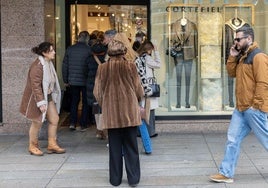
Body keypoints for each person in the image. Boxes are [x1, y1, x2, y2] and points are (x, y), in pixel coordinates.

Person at [209, 25, 268, 183]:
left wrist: (256, 105)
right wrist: (232, 56)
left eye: (238, 39)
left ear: (249, 39)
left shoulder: (258, 56)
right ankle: (226, 173)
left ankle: (226, 172)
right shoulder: (242, 56)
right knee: (232, 140)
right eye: (235, 39)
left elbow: (263, 83)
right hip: (241, 109)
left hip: (253, 109)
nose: (235, 42)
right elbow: (231, 73)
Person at [93, 40, 144, 187]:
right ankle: (133, 179)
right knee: (131, 146)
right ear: (124, 52)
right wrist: (136, 100)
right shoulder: (130, 66)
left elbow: (97, 92)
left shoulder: (102, 68)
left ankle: (115, 180)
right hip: (129, 113)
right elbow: (138, 89)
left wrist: (106, 104)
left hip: (112, 114)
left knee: (114, 147)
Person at [20, 42, 65, 156]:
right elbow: (35, 86)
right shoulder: (38, 66)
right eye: (51, 50)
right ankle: (32, 146)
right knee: (37, 122)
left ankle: (52, 144)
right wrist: (41, 102)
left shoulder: (48, 63)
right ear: (44, 53)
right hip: (36, 98)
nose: (54, 52)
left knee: (54, 119)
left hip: (47, 96)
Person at [62, 31, 92, 131]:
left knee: (74, 101)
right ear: (87, 38)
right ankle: (83, 123)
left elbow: (65, 65)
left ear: (78, 37)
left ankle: (72, 122)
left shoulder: (70, 49)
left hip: (73, 80)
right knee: (85, 101)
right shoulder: (89, 50)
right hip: (85, 80)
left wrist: (65, 79)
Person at [136, 40, 161, 138]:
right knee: (150, 110)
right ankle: (150, 132)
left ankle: (141, 132)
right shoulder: (147, 58)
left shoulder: (139, 58)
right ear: (149, 49)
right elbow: (158, 64)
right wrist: (157, 52)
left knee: (142, 109)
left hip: (142, 86)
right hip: (149, 86)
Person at [86, 30, 108, 139]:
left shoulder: (90, 58)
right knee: (105, 107)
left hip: (93, 85)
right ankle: (104, 129)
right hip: (104, 84)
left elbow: (86, 71)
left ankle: (99, 130)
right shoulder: (106, 59)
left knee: (96, 107)